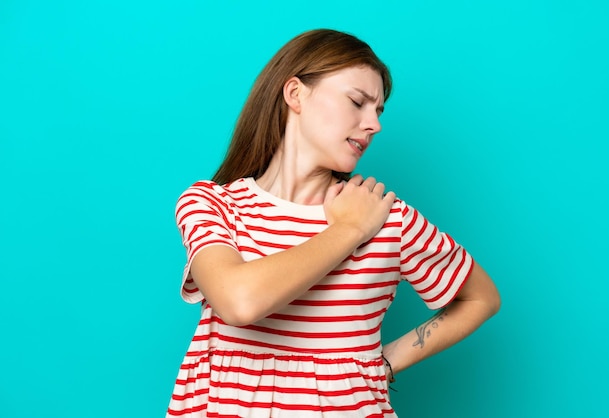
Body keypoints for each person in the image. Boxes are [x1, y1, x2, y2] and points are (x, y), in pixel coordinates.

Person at [166, 29, 501, 418]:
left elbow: (481, 298)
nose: (373, 124)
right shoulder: (214, 204)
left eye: (378, 111)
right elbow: (239, 303)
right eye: (358, 102)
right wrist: (348, 230)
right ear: (295, 94)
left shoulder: (387, 217)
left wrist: (385, 361)